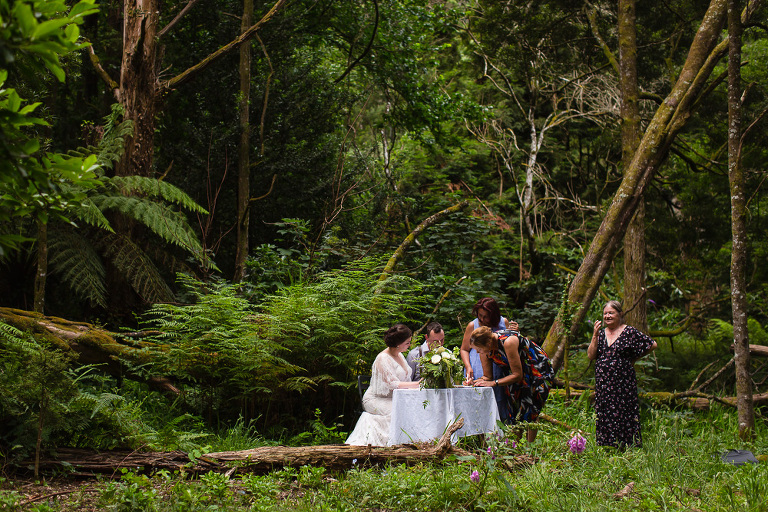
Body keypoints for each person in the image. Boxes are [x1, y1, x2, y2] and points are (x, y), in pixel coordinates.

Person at [587, 300, 658, 448]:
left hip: (624, 382)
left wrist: (634, 358)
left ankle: (627, 445)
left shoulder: (629, 332)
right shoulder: (600, 334)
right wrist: (594, 335)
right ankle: (606, 444)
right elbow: (590, 356)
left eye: (611, 313)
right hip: (603, 382)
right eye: (605, 313)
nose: (607, 316)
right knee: (605, 410)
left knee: (624, 410)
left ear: (620, 314)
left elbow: (652, 344)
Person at [469, 326, 553, 442]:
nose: (478, 352)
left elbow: (517, 374)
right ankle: (514, 447)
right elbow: (487, 377)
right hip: (514, 374)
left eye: (479, 349)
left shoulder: (508, 342)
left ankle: (530, 448)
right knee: (513, 410)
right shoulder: (485, 349)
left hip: (535, 370)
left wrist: (494, 383)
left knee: (531, 410)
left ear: (488, 343)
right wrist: (473, 382)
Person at [346, 323, 422, 446]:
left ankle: (412, 440)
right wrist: (416, 384)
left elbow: (406, 379)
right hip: (376, 399)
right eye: (407, 343)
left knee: (413, 407)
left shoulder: (400, 355)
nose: (409, 345)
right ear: (398, 344)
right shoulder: (382, 358)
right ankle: (392, 443)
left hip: (395, 397)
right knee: (397, 411)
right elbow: (392, 383)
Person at [460, 298, 518, 381]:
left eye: (486, 317)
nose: (482, 319)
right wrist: (468, 366)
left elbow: (512, 343)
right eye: (480, 315)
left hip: (500, 368)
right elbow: (464, 349)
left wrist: (516, 332)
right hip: (477, 367)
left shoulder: (503, 322)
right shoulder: (472, 325)